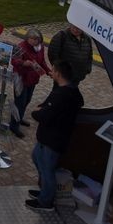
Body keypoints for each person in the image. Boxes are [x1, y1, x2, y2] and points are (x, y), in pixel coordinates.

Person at [26, 60, 84, 211]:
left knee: (47, 169)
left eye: (53, 70)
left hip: (52, 139)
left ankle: (46, 202)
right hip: (48, 137)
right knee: (36, 158)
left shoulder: (62, 95)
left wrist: (35, 113)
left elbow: (45, 115)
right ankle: (44, 190)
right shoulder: (70, 91)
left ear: (58, 73)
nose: (51, 72)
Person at [9, 30, 51, 138]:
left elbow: (42, 62)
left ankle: (20, 117)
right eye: (31, 38)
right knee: (19, 103)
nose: (33, 41)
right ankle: (14, 125)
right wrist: (23, 63)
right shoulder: (21, 47)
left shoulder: (40, 48)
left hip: (32, 79)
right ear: (27, 38)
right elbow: (14, 61)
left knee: (27, 100)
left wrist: (48, 71)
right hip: (21, 78)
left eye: (36, 39)